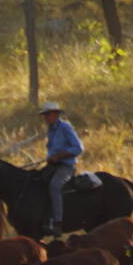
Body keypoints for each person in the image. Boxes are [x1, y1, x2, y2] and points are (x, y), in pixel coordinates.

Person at [39, 101, 83, 237]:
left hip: (66, 166)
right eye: (44, 115)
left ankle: (58, 223)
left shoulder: (65, 127)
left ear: (56, 114)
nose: (45, 118)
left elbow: (78, 148)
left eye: (48, 114)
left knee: (55, 186)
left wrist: (60, 155)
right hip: (53, 166)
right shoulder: (51, 130)